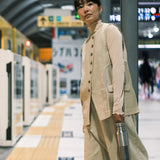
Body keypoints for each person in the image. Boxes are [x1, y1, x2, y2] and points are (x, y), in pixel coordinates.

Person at [74, 0, 148, 159]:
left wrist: (118, 106)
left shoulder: (110, 31)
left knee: (129, 154)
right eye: (80, 6)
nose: (85, 9)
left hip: (114, 109)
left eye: (89, 4)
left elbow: (119, 67)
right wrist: (86, 117)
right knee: (94, 156)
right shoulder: (85, 46)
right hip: (93, 114)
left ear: (100, 8)